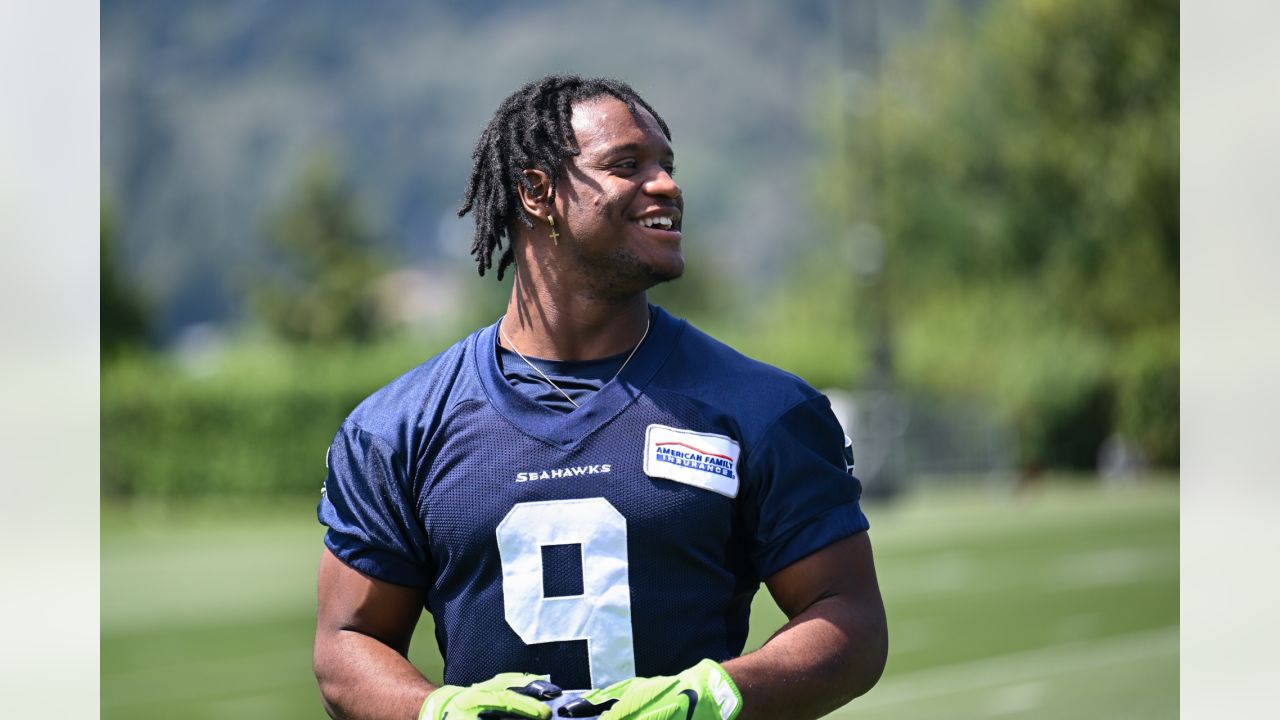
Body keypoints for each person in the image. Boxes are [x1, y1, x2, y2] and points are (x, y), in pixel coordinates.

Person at [313, 74, 887, 720]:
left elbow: (851, 618)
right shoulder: (399, 430)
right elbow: (348, 641)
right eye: (626, 165)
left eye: (667, 165)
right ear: (536, 192)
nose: (666, 185)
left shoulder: (764, 410)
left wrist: (719, 695)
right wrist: (438, 712)